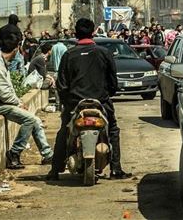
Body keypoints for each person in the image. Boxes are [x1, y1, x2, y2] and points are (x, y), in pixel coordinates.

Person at [47, 18, 132, 181]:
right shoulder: (103, 53)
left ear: (76, 34)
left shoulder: (69, 54)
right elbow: (112, 81)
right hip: (101, 103)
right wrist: (108, 95)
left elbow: (62, 84)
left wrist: (66, 103)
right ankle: (116, 169)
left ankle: (55, 170)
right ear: (93, 33)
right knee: (113, 129)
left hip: (74, 104)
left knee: (64, 131)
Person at [0, 32, 53, 169]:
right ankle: (14, 153)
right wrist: (18, 103)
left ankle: (47, 154)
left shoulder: (1, 62)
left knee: (34, 120)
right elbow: (5, 94)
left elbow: (8, 90)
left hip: (1, 102)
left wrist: (18, 102)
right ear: (16, 49)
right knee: (29, 119)